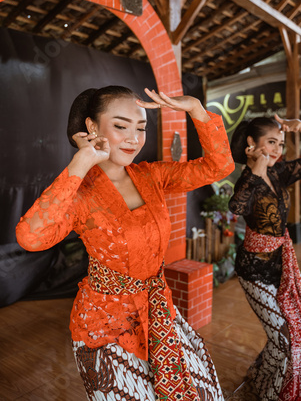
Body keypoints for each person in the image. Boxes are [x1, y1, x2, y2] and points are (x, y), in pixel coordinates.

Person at [16, 85, 234, 401]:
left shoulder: (151, 175)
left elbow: (219, 167)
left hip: (159, 310)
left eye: (141, 128)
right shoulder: (80, 193)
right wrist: (81, 163)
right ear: (91, 127)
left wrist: (197, 110)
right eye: (121, 126)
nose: (134, 138)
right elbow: (30, 238)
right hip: (104, 327)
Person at [229, 114, 301, 401]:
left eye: (280, 143)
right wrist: (255, 171)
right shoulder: (250, 180)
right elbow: (237, 205)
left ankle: (258, 377)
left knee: (284, 333)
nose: (277, 150)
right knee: (283, 339)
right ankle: (269, 394)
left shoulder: (278, 172)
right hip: (254, 271)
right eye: (271, 142)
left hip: (280, 266)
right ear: (251, 143)